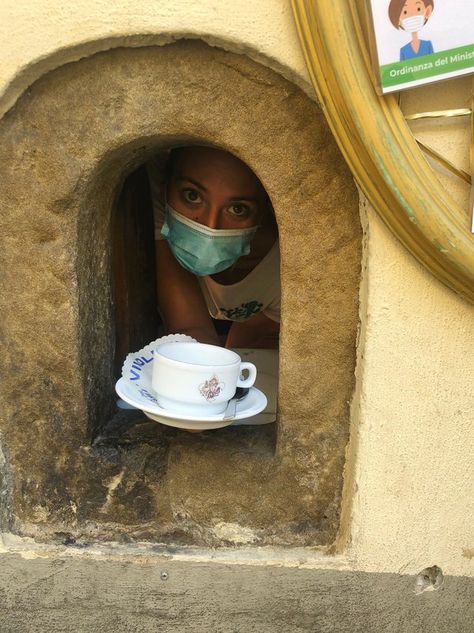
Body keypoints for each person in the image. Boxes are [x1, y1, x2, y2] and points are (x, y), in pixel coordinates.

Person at [146, 145, 280, 350]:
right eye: (192, 196)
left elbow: (255, 332)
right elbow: (189, 330)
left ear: (264, 212)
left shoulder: (281, 268)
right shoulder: (162, 200)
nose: (210, 227)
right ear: (165, 190)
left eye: (238, 209)